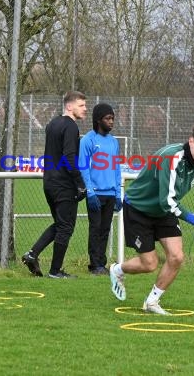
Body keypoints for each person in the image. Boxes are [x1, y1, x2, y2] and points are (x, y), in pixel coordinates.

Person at [109, 121, 194, 315]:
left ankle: (152, 302)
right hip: (139, 209)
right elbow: (167, 201)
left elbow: (169, 201)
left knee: (176, 257)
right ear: (191, 141)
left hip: (163, 211)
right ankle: (117, 270)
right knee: (149, 264)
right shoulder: (172, 157)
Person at [22, 90, 87, 279]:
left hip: (49, 182)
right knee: (66, 227)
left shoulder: (53, 123)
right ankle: (55, 271)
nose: (85, 109)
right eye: (81, 105)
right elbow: (68, 156)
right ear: (69, 106)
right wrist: (80, 183)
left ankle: (32, 255)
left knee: (60, 224)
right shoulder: (70, 126)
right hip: (63, 184)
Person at [78, 103, 122, 275]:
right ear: (98, 120)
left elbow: (117, 169)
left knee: (105, 229)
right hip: (95, 194)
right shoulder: (87, 140)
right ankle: (94, 264)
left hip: (110, 194)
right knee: (95, 229)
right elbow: (83, 167)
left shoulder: (113, 142)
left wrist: (118, 193)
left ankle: (101, 263)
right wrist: (90, 192)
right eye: (108, 118)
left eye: (112, 118)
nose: (111, 122)